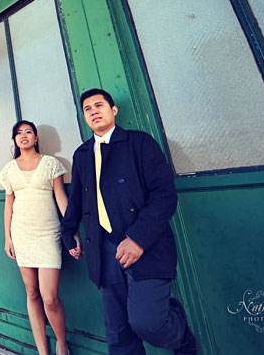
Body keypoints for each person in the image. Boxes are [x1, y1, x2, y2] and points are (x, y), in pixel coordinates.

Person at [61, 89, 197, 355]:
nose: (93, 111)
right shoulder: (82, 154)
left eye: (99, 105)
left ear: (114, 110)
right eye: (87, 109)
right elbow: (77, 199)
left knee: (149, 323)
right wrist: (69, 232)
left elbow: (165, 195)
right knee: (119, 334)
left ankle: (181, 336)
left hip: (146, 247)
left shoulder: (140, 143)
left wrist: (138, 238)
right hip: (103, 248)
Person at [0, 120, 75, 355]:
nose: (23, 136)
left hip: (48, 234)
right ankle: (43, 351)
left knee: (50, 298)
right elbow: (8, 206)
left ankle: (62, 344)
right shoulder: (10, 169)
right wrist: (8, 238)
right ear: (14, 140)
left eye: (28, 132)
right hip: (22, 234)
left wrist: (72, 231)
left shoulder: (51, 164)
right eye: (19, 133)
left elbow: (61, 199)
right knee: (31, 292)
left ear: (36, 137)